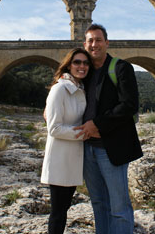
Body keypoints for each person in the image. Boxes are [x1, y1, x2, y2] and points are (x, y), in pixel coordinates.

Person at [74, 24, 143, 234]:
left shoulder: (121, 68)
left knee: (119, 205)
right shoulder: (83, 72)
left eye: (98, 40)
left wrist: (98, 125)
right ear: (85, 45)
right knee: (98, 203)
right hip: (88, 148)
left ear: (106, 42)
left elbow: (130, 104)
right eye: (90, 41)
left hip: (111, 147)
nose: (94, 44)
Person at [41, 48, 91, 234]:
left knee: (63, 210)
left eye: (85, 63)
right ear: (69, 65)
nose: (82, 66)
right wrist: (84, 133)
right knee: (58, 213)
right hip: (60, 160)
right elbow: (53, 128)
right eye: (77, 62)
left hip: (72, 159)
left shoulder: (81, 88)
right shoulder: (59, 89)